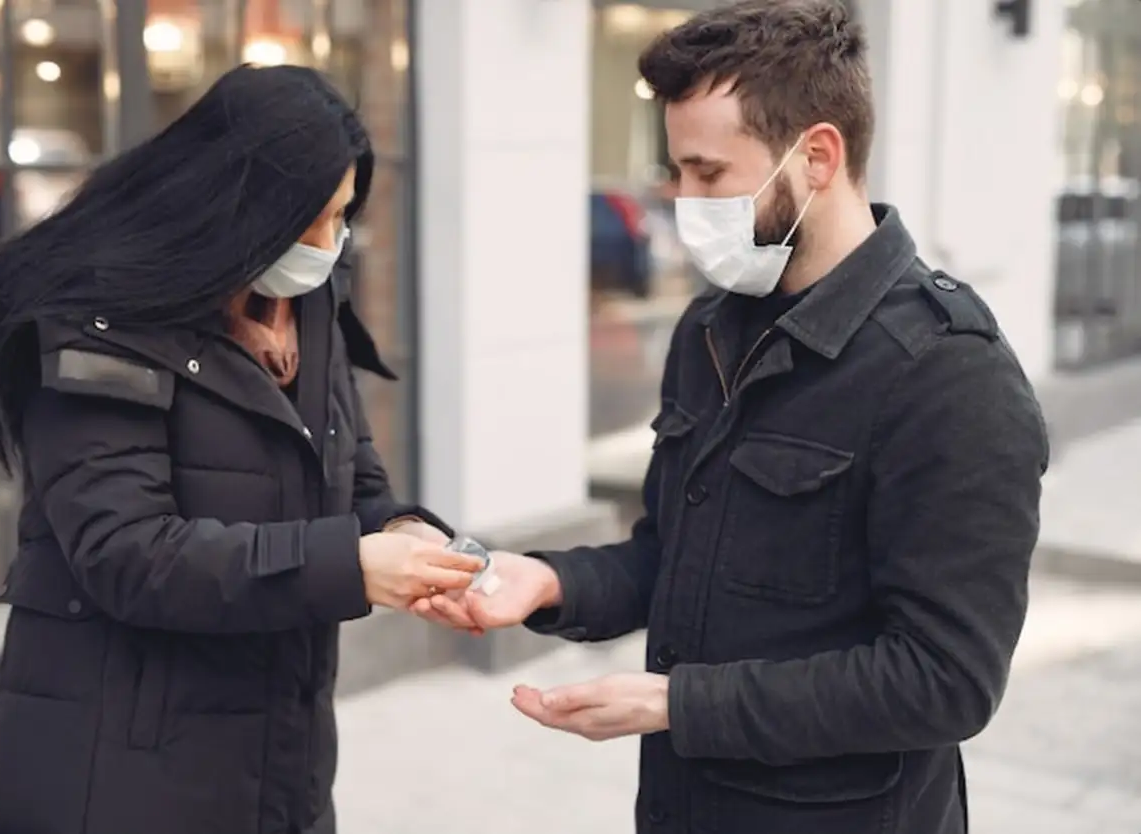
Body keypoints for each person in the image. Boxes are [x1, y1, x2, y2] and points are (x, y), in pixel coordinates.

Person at [414, 3, 1048, 833]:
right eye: (677, 172)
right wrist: (551, 582)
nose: (683, 201)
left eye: (709, 175)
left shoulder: (948, 373)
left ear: (817, 156)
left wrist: (682, 703)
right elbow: (672, 554)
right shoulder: (711, 328)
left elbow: (944, 679)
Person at [0, 64, 481, 834]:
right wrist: (348, 565)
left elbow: (354, 481)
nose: (328, 243)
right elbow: (129, 554)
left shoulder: (308, 303)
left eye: (341, 216)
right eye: (309, 219)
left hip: (278, 763)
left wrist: (399, 534)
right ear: (236, 207)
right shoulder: (100, 323)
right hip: (118, 774)